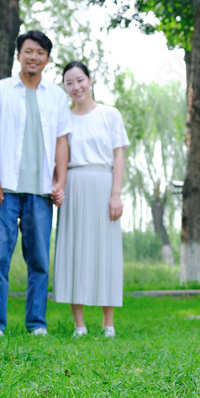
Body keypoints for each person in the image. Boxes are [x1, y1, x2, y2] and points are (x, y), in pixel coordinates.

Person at [0, 30, 71, 339]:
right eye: (28, 51)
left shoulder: (56, 95)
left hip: (41, 191)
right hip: (4, 190)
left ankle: (36, 324)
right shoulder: (0, 91)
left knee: (39, 260)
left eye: (40, 52)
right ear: (19, 55)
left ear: (47, 59)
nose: (34, 57)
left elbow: (61, 142)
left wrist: (60, 180)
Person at [53, 61, 130, 338]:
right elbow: (58, 156)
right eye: (69, 83)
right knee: (75, 250)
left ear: (91, 80)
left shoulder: (110, 114)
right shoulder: (63, 118)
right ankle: (79, 324)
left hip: (103, 183)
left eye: (80, 80)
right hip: (74, 186)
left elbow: (119, 155)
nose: (76, 87)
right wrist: (56, 185)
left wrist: (116, 194)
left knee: (105, 251)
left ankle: (108, 323)